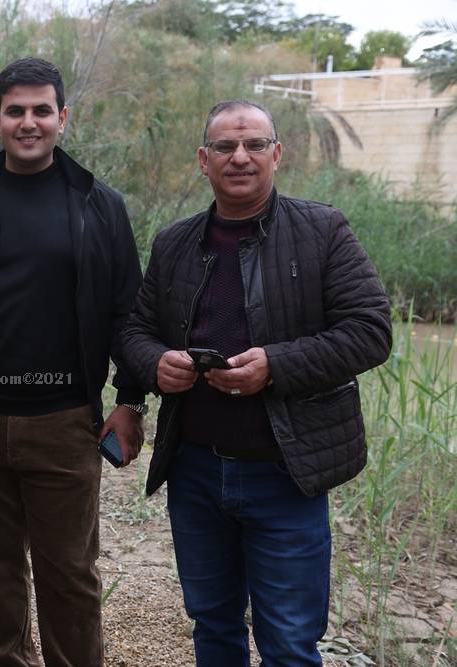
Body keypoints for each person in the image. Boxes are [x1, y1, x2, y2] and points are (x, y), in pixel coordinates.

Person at [120, 99, 392, 665]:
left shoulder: (322, 230)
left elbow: (370, 331)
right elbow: (137, 329)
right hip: (195, 470)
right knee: (213, 626)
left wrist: (276, 364)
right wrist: (155, 363)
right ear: (204, 160)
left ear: (277, 154)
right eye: (225, 146)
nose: (239, 157)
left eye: (254, 145)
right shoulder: (175, 242)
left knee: (289, 642)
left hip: (286, 472)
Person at [0, 57, 145, 667]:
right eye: (16, 111)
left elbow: (128, 313)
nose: (29, 123)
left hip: (65, 423)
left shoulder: (100, 206)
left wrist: (130, 400)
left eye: (42, 111)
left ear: (63, 117)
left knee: (69, 575)